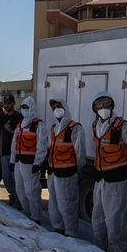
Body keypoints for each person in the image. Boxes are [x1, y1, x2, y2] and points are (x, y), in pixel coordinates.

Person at [90, 91, 127, 252]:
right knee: (98, 216)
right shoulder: (95, 126)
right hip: (100, 179)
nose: (103, 108)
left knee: (116, 219)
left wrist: (124, 168)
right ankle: (100, 249)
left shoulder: (123, 127)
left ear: (112, 106)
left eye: (106, 104)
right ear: (95, 108)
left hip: (117, 181)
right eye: (99, 105)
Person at [46, 98, 86, 237]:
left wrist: (74, 168)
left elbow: (80, 153)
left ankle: (71, 233)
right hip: (54, 172)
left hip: (67, 174)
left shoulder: (75, 128)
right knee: (54, 203)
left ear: (65, 107)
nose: (56, 109)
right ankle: (58, 228)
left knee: (67, 205)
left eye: (59, 106)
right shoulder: (53, 129)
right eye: (54, 108)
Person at [10, 96, 46, 222]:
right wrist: (12, 160)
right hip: (19, 162)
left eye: (27, 108)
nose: (25, 110)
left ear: (32, 108)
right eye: (23, 108)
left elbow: (42, 146)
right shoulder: (19, 125)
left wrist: (38, 163)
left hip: (30, 164)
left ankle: (36, 216)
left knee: (32, 191)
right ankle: (26, 212)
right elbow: (14, 144)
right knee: (20, 189)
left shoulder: (38, 125)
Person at [0, 95, 21, 206]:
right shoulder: (4, 117)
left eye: (9, 103)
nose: (7, 105)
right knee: (6, 177)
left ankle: (18, 199)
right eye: (5, 103)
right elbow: (2, 134)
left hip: (14, 153)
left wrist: (10, 130)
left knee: (15, 177)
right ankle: (12, 196)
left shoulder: (18, 117)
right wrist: (1, 151)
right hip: (4, 152)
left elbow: (20, 134)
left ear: (13, 103)